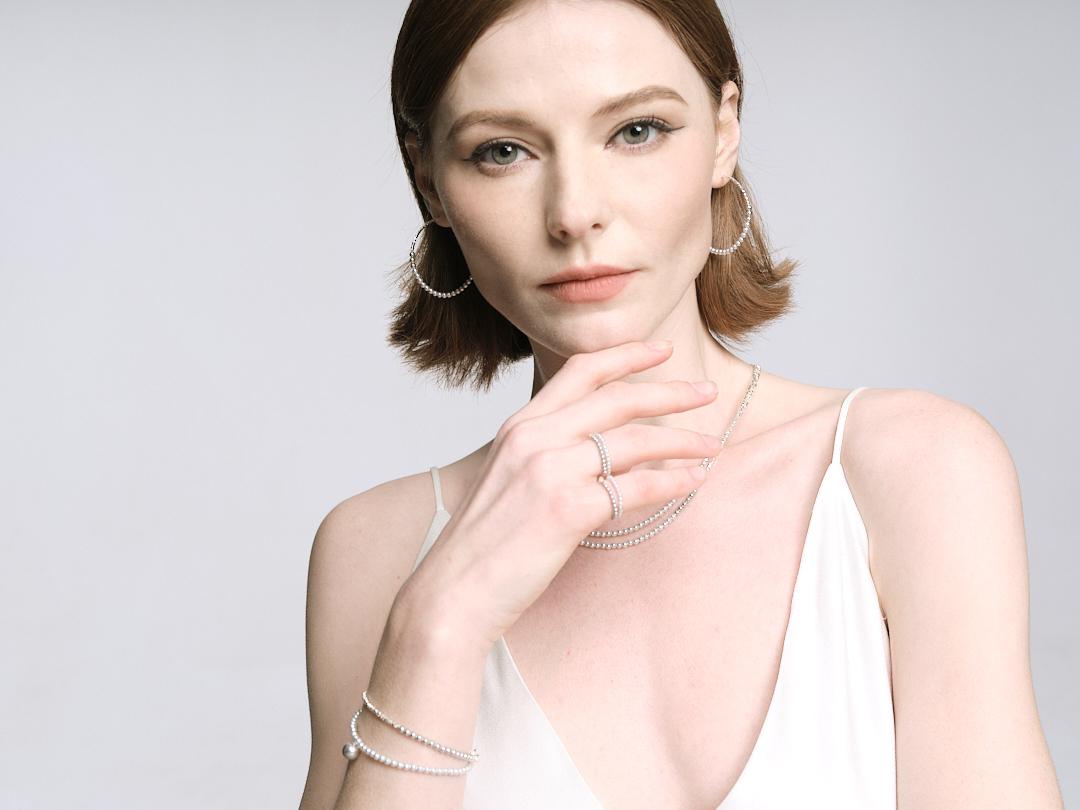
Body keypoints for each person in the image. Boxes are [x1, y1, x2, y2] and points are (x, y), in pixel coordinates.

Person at [299, 1, 1064, 808]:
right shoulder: (377, 553)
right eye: (503, 150)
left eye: (637, 131)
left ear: (724, 132)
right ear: (430, 181)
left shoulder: (914, 474)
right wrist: (442, 621)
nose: (574, 213)